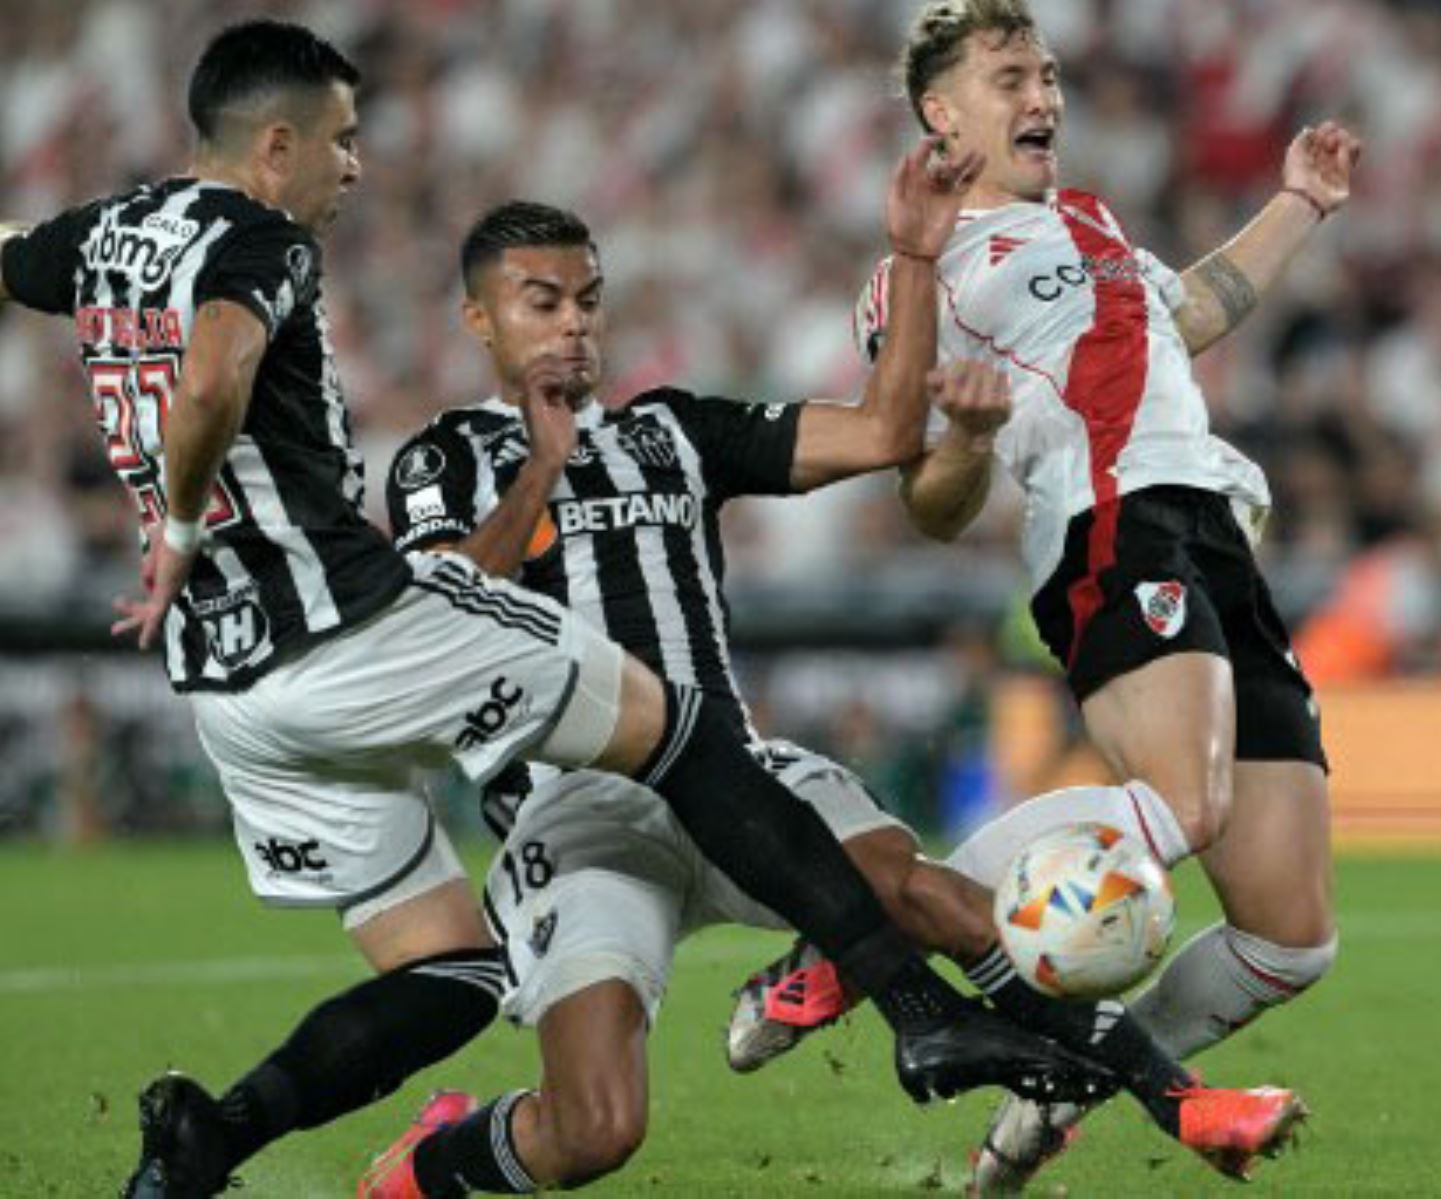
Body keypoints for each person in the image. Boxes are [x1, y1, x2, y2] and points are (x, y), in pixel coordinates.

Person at [0, 20, 1111, 1199]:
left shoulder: (103, 237)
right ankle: (920, 1010)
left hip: (229, 692)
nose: (358, 165)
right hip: (346, 627)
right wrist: (175, 529)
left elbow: (18, 255)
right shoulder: (264, 240)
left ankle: (207, 1140)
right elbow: (218, 374)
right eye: (343, 139)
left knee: (451, 972)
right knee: (675, 725)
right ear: (276, 146)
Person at [356, 197, 1307, 1196]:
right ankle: (426, 1166)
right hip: (579, 804)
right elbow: (444, 608)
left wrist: (910, 255)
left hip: (733, 771)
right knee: (594, 1130)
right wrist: (542, 465)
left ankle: (1187, 1102)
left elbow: (886, 432)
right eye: (541, 302)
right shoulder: (445, 457)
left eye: (588, 300)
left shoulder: (673, 429)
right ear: (480, 321)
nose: (573, 324)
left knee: (932, 894)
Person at [727, 1, 1362, 1189]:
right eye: (1012, 75)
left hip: (1208, 523)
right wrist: (963, 439)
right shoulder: (919, 273)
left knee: (1288, 933)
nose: (1045, 97)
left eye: (1051, 74)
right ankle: (857, 930)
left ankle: (1047, 1101)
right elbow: (929, 494)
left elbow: (1192, 314)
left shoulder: (1086, 219)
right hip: (1108, 518)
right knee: (1183, 801)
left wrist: (1301, 206)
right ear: (941, 112)